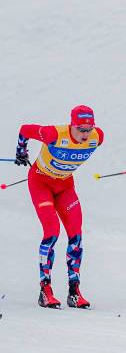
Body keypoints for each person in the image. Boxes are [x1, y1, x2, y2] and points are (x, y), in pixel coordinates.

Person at [15, 105, 104, 309]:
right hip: (41, 183)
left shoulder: (97, 137)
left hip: (64, 185)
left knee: (76, 234)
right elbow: (24, 129)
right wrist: (21, 150)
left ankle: (74, 291)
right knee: (52, 231)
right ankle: (45, 291)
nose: (85, 134)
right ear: (72, 125)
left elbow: (86, 143)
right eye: (80, 129)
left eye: (88, 129)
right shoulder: (53, 134)